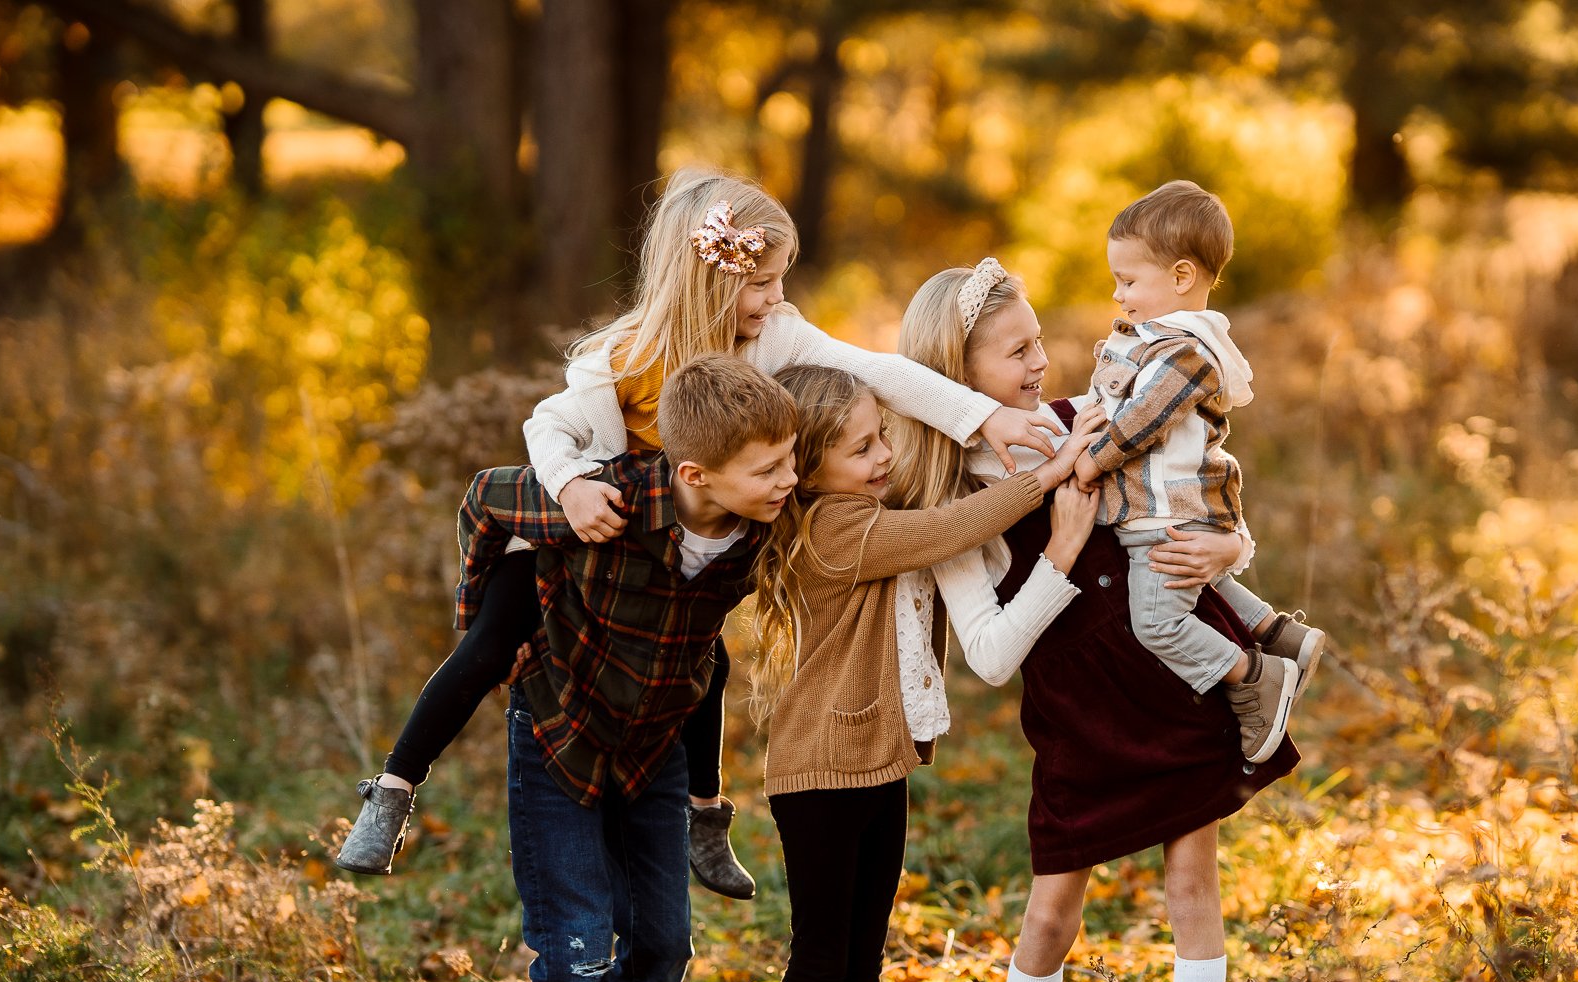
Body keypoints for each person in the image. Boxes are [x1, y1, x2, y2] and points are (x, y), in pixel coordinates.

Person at [336, 167, 1059, 887]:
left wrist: (982, 415)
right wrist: (573, 485)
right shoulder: (622, 359)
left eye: (782, 279)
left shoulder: (772, 338)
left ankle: (704, 815)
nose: (778, 297)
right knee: (497, 632)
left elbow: (875, 369)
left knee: (705, 660)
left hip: (679, 541)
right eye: (762, 282)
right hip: (596, 521)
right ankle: (395, 788)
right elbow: (546, 426)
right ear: (708, 281)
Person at [890, 258, 1301, 982]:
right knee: (1049, 915)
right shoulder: (954, 505)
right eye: (1015, 352)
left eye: (1039, 342)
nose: (1042, 364)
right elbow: (993, 655)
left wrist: (1234, 540)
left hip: (1176, 678)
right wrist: (1062, 551)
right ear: (958, 379)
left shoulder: (1097, 421)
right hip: (1078, 713)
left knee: (1193, 887)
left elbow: (1199, 483)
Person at [727, 362, 1096, 982]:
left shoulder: (868, 509)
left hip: (876, 764)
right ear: (811, 468)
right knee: (820, 953)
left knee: (865, 951)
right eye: (861, 449)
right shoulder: (835, 529)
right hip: (818, 772)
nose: (882, 456)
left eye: (882, 436)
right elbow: (951, 529)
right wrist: (1050, 473)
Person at [456, 355, 798, 982]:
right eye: (772, 467)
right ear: (695, 473)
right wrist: (482, 635)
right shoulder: (608, 500)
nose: (791, 478)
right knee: (576, 956)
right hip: (558, 734)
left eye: (792, 460)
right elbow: (483, 500)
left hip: (655, 750)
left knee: (663, 948)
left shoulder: (765, 522)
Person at [1069, 180, 1327, 764]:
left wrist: (1090, 460)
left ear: (1182, 277)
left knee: (1158, 625)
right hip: (1168, 515)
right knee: (1200, 582)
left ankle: (1254, 677)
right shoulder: (1155, 343)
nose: (1118, 294)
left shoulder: (1186, 352)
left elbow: (1141, 422)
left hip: (1168, 514)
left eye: (1129, 281)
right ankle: (1282, 636)